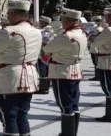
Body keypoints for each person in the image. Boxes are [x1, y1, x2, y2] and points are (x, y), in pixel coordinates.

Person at [0, 0, 42, 136]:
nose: (7, 16)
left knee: (9, 115)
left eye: (9, 13)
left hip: (10, 77)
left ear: (14, 14)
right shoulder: (36, 31)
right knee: (22, 114)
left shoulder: (8, 31)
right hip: (30, 75)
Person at [43, 8, 88, 136]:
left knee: (65, 106)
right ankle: (72, 132)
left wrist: (45, 41)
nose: (62, 22)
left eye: (63, 20)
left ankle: (67, 133)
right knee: (74, 104)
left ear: (67, 20)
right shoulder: (81, 32)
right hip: (75, 70)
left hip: (62, 72)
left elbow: (47, 48)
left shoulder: (67, 35)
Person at [90, 7, 111, 122]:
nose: (105, 18)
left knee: (109, 88)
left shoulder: (109, 30)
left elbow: (96, 43)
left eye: (107, 16)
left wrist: (91, 37)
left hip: (107, 61)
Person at [36, 16, 54, 95]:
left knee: (42, 69)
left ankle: (43, 88)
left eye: (41, 22)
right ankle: (45, 87)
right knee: (45, 69)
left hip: (42, 53)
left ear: (44, 23)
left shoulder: (46, 31)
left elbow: (45, 41)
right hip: (45, 52)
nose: (40, 23)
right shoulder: (49, 30)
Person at [87, 16, 104, 81]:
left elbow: (95, 38)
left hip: (95, 48)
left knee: (96, 63)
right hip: (94, 47)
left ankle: (98, 76)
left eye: (98, 21)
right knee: (96, 63)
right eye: (97, 21)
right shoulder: (97, 28)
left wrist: (91, 37)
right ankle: (98, 76)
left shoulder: (98, 29)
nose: (97, 22)